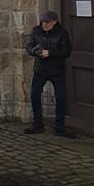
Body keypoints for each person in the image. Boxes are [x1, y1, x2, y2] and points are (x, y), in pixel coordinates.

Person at [25, 10, 75, 138]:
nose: (45, 24)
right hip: (40, 69)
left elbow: (66, 51)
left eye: (47, 22)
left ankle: (60, 126)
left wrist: (50, 53)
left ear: (54, 22)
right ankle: (37, 124)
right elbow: (29, 46)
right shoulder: (36, 30)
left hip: (57, 70)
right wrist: (36, 52)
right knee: (35, 95)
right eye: (43, 22)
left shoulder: (62, 33)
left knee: (60, 97)